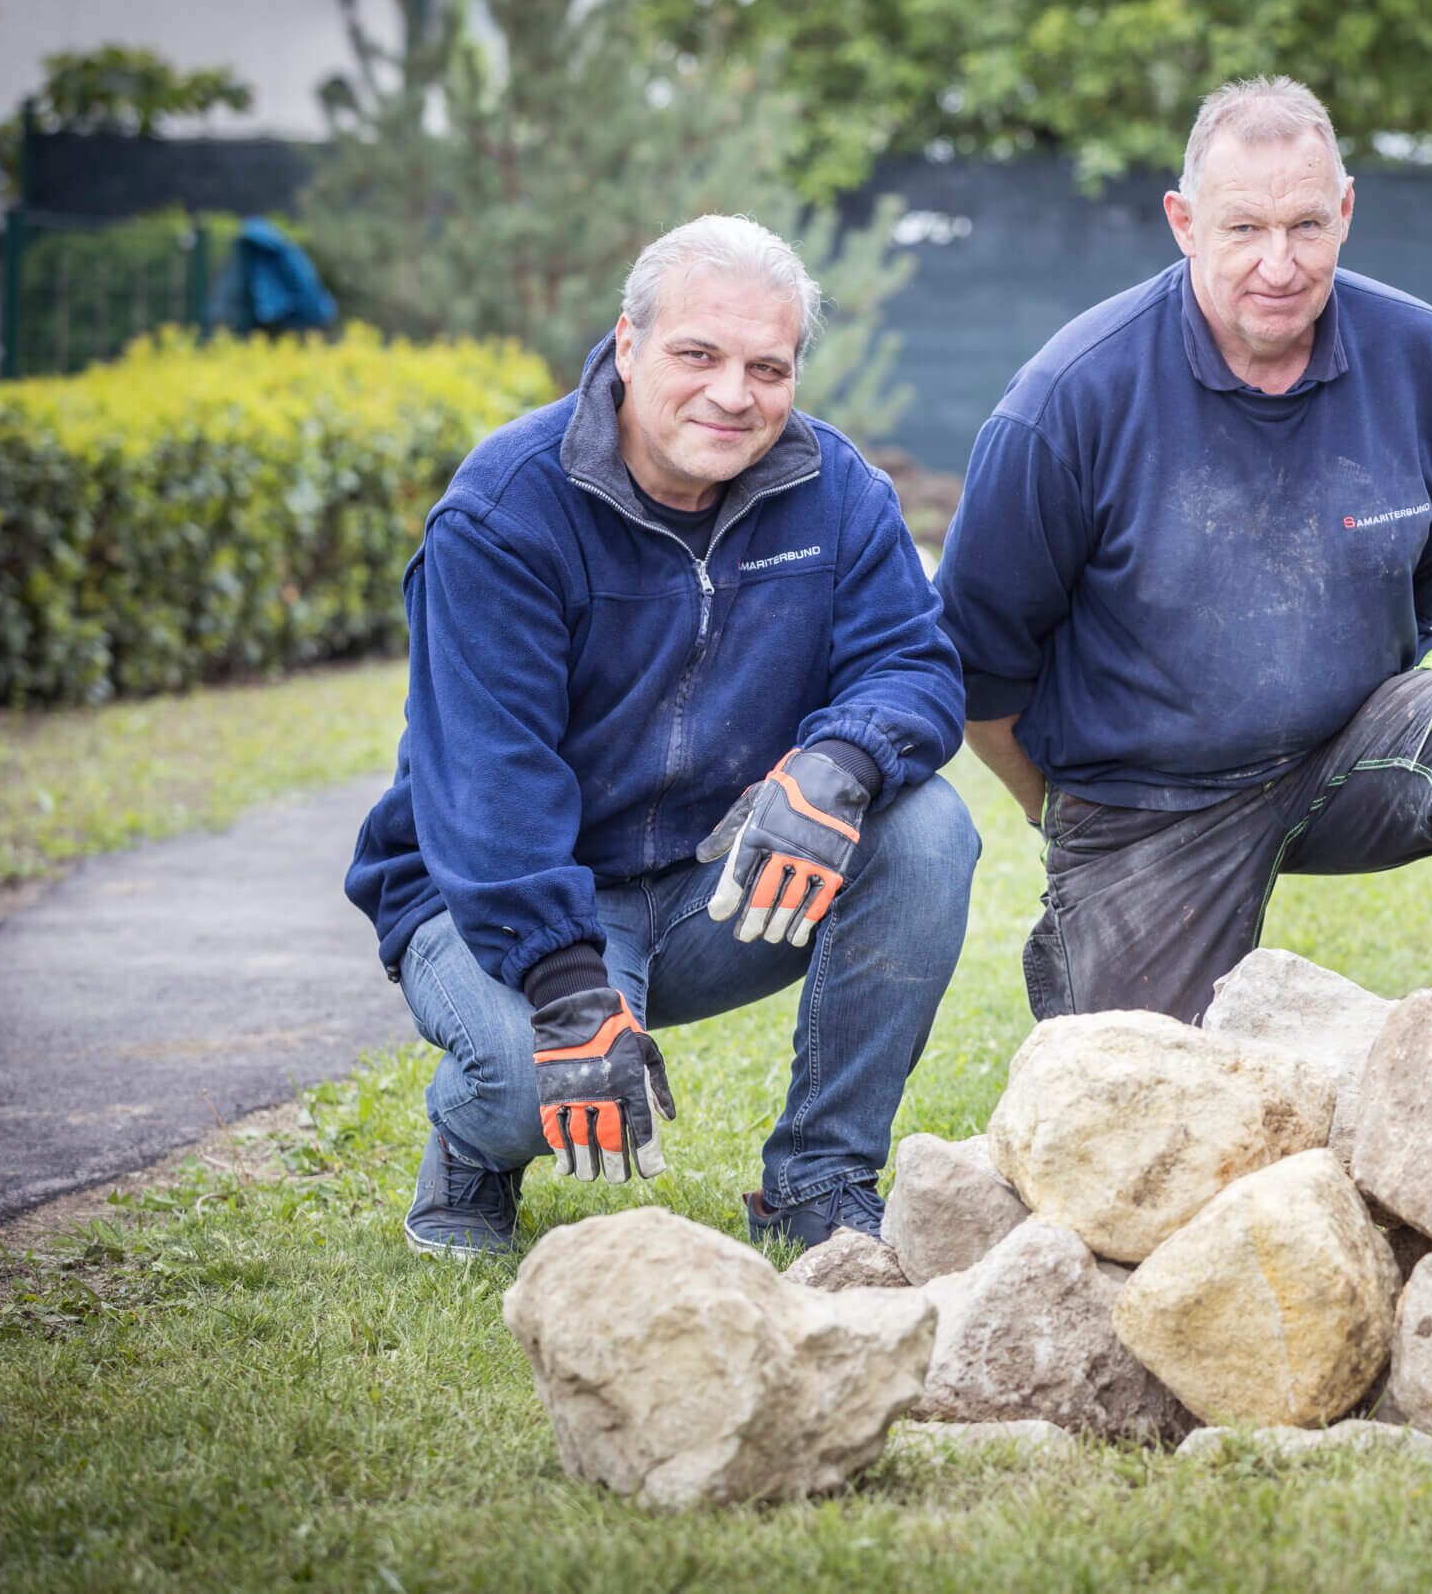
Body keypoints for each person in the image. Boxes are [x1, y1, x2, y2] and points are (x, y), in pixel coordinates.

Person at [345, 215, 980, 1258]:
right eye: (698, 354)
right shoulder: (505, 510)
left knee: (927, 828)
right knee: (531, 1086)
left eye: (767, 368)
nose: (733, 394)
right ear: (628, 345)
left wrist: (840, 762)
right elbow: (491, 782)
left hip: (715, 882)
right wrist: (566, 986)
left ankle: (820, 1179)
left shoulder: (838, 493)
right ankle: (471, 1147)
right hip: (495, 891)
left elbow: (914, 664)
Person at [937, 76, 1432, 1025]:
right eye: (1243, 228)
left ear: (1347, 212)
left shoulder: (1420, 355)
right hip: (1150, 796)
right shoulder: (1070, 397)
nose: (1278, 265)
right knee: (1146, 1092)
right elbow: (979, 666)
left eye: (1307, 226)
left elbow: (1426, 581)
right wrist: (1066, 812)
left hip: (1348, 751)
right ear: (1184, 222)